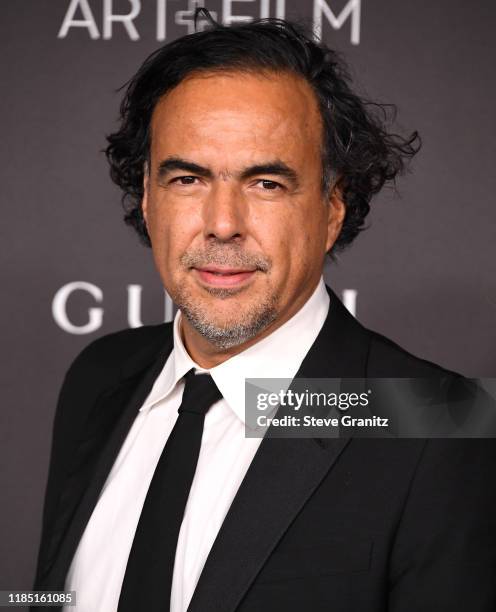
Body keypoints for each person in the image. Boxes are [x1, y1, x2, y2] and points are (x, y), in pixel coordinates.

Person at [33, 11, 496, 612]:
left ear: (333, 208)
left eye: (266, 184)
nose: (223, 224)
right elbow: (49, 596)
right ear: (146, 197)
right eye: (188, 178)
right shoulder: (100, 374)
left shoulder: (441, 427)